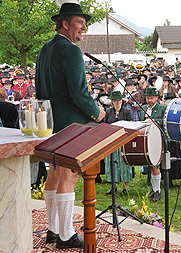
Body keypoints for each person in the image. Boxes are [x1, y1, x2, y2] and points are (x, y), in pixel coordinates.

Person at [34, 2, 105, 248]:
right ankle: (66, 235)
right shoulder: (71, 50)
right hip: (71, 124)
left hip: (50, 122)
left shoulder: (44, 49)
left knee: (54, 173)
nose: (84, 26)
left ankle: (53, 230)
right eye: (79, 22)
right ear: (65, 24)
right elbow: (79, 92)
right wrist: (97, 112)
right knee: (69, 175)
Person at [102, 91, 134, 196]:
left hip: (123, 141)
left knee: (124, 164)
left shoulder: (127, 112)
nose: (118, 102)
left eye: (119, 100)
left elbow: (131, 126)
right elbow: (105, 125)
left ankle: (125, 187)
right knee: (111, 163)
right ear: (112, 102)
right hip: (112, 141)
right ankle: (113, 186)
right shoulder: (108, 112)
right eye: (115, 101)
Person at [141, 87, 166, 202]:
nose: (149, 100)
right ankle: (153, 188)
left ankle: (158, 191)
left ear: (156, 98)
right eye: (147, 98)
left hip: (157, 139)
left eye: (151, 98)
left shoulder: (162, 108)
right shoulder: (143, 108)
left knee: (155, 165)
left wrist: (155, 122)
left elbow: (165, 123)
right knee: (150, 164)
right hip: (146, 140)